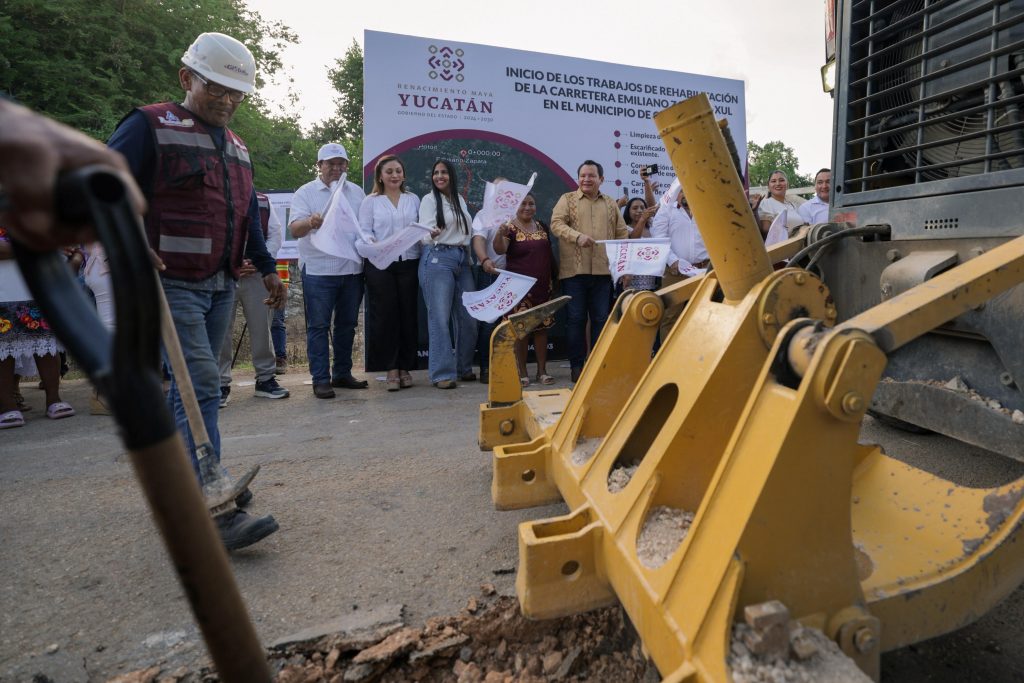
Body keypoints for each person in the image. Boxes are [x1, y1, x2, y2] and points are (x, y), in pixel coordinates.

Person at [107, 32, 286, 550]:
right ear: (187, 78)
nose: (228, 101)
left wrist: (267, 268)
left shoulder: (238, 147)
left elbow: (246, 216)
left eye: (237, 94)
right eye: (217, 89)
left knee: (186, 389)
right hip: (169, 281)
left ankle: (184, 483)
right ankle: (212, 505)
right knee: (202, 382)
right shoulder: (149, 126)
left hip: (221, 283)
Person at [289, 143, 368, 399]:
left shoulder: (356, 192)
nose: (336, 168)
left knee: (347, 325)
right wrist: (310, 222)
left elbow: (363, 227)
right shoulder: (306, 192)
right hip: (318, 271)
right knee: (318, 327)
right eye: (330, 164)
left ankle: (342, 373)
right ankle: (321, 379)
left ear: (346, 165)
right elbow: (295, 229)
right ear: (319, 165)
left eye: (340, 163)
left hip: (352, 270)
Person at [550, 160, 629, 382]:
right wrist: (577, 237)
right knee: (575, 319)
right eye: (583, 175)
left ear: (601, 179)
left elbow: (622, 235)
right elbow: (556, 224)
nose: (586, 179)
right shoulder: (567, 199)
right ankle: (576, 367)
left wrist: (624, 268)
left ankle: (596, 366)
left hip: (603, 273)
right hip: (574, 272)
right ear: (578, 178)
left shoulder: (611, 203)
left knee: (601, 319)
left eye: (591, 176)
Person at [217, 192, 289, 406]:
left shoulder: (262, 201)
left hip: (257, 274)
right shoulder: (215, 192)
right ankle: (220, 384)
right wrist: (232, 261)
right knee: (221, 329)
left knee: (262, 327)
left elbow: (275, 235)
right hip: (223, 272)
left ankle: (265, 379)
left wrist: (260, 262)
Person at [357, 155, 421, 392]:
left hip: (409, 263)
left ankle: (405, 367)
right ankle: (391, 368)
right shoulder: (370, 202)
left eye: (398, 171)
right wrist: (372, 242)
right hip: (380, 264)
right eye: (389, 171)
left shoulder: (413, 199)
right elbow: (364, 232)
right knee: (385, 317)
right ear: (380, 176)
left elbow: (420, 228)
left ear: (403, 174)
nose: (394, 175)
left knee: (408, 316)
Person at [1, 226, 75, 428]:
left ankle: (54, 399)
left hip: (34, 281)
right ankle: (8, 406)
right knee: (3, 348)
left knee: (46, 342)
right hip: (2, 286)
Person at [418, 159, 477, 389]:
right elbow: (423, 235)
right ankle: (442, 373)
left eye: (444, 172)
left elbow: (466, 232)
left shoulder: (459, 199)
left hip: (462, 259)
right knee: (439, 318)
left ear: (452, 175)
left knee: (469, 317)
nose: (439, 176)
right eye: (436, 172)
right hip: (438, 257)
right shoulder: (429, 200)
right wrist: (431, 233)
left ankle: (463, 368)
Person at [493, 193, 556, 386]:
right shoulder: (509, 228)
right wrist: (499, 234)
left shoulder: (542, 226)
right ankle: (522, 373)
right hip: (518, 289)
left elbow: (549, 255)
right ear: (515, 207)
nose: (527, 207)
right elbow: (500, 250)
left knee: (541, 329)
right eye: (523, 204)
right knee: (521, 329)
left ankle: (542, 372)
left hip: (543, 287)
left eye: (531, 203)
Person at [650, 189, 709, 340]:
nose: (685, 193)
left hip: (704, 269)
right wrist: (672, 261)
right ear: (676, 193)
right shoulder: (666, 210)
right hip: (674, 271)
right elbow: (659, 238)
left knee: (703, 314)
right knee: (671, 317)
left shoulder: (707, 208)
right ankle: (668, 354)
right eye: (681, 190)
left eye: (688, 189)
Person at [470, 176, 509, 385]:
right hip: (490, 274)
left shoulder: (518, 214)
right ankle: (486, 368)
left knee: (510, 322)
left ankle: (509, 367)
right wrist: (484, 259)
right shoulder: (483, 214)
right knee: (489, 323)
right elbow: (478, 239)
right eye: (498, 189)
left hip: (514, 277)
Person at [622, 197, 660, 291]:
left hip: (651, 277)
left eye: (642, 208)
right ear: (628, 211)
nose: (639, 210)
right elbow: (633, 240)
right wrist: (643, 219)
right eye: (635, 208)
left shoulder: (652, 227)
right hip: (632, 277)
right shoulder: (624, 228)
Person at [757, 170, 807, 236]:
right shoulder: (765, 204)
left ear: (787, 185)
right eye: (773, 181)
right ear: (768, 186)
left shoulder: (792, 205)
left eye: (781, 180)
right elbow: (766, 231)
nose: (778, 184)